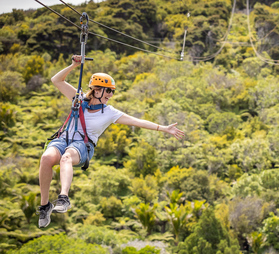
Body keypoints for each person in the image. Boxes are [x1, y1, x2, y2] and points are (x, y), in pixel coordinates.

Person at [37, 55, 185, 228]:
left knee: (66, 158)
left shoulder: (110, 112)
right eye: (107, 91)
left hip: (82, 146)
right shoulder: (78, 99)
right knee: (46, 158)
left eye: (112, 91)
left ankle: (63, 198)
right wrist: (73, 65)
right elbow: (56, 80)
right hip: (64, 139)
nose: (110, 95)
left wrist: (164, 128)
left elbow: (138, 122)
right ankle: (45, 206)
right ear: (96, 90)